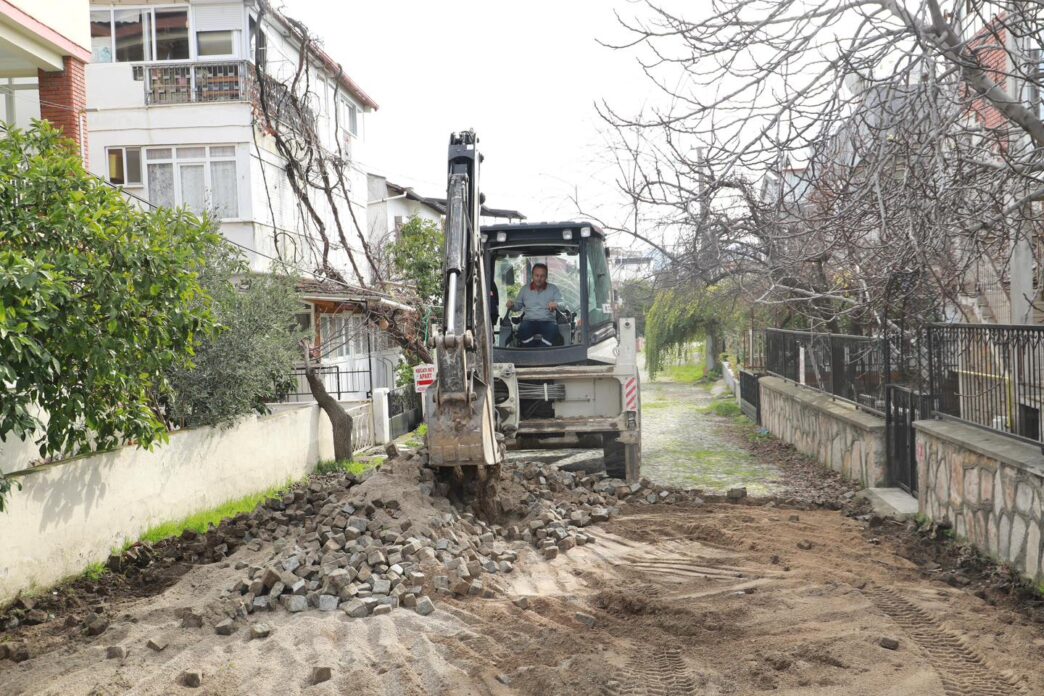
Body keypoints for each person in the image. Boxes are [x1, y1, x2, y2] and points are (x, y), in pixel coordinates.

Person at [506, 263, 565, 346]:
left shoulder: (553, 289)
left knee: (553, 330)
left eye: (542, 276)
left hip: (548, 321)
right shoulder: (524, 289)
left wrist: (556, 304)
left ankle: (542, 353)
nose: (539, 278)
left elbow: (563, 305)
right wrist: (512, 305)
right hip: (529, 321)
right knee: (522, 330)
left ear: (546, 276)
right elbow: (518, 306)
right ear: (532, 275)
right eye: (536, 275)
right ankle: (531, 352)